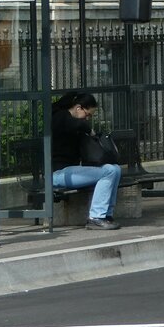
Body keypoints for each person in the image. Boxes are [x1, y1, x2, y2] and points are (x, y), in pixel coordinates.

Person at [51, 92, 123, 230]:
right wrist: (90, 131)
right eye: (88, 114)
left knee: (115, 169)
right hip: (58, 174)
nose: (87, 118)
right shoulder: (60, 117)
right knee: (108, 171)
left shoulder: (73, 122)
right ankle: (96, 217)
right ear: (78, 108)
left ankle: (106, 214)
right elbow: (76, 125)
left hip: (71, 172)